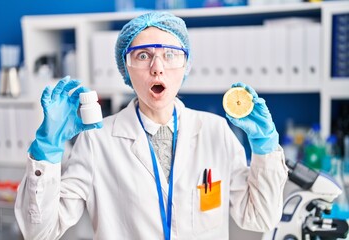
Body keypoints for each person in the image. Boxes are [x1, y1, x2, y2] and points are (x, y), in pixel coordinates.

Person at [15, 11, 288, 240]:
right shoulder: (97, 141)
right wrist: (46, 150)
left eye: (170, 54)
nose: (157, 68)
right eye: (143, 56)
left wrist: (265, 148)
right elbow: (39, 231)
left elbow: (260, 218)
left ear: (186, 65)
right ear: (126, 68)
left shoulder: (216, 132)